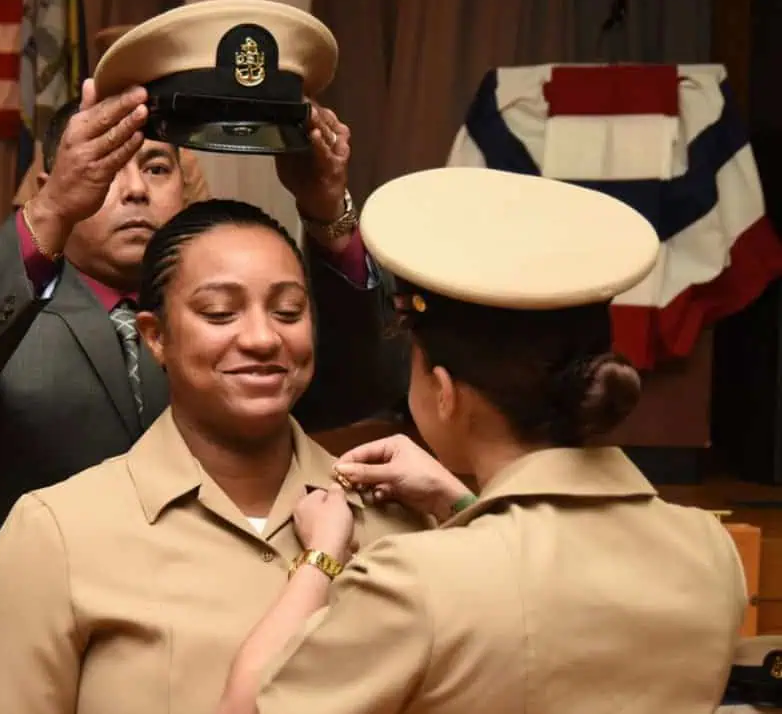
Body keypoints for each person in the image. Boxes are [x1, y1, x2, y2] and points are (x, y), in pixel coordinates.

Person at [0, 0, 405, 714]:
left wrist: (328, 217)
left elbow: (365, 388)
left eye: (157, 166)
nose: (133, 188)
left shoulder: (244, 329)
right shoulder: (1, 303)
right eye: (110, 168)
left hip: (220, 651)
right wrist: (50, 218)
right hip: (6, 659)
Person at [216, 167, 749, 714]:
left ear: (443, 391)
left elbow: (245, 709)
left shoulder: (417, 581)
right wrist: (464, 503)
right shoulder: (708, 550)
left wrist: (322, 556)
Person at [0, 199, 430, 714]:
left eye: (288, 311)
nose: (263, 338)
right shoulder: (59, 532)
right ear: (156, 338)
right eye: (220, 313)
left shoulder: (393, 518)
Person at [12, 23, 211, 208]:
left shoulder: (178, 149)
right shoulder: (74, 141)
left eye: (156, 170)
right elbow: (32, 225)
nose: (136, 188)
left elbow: (200, 228)